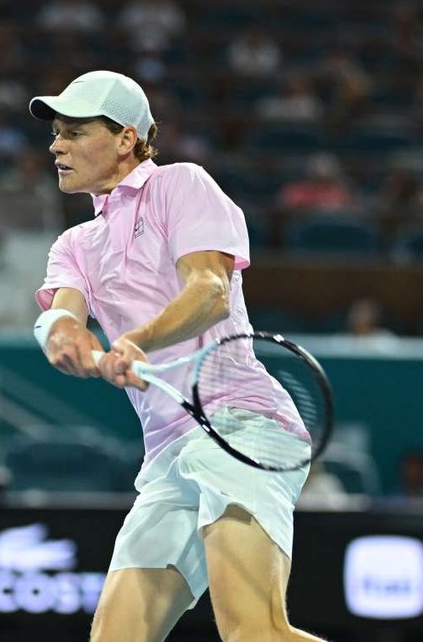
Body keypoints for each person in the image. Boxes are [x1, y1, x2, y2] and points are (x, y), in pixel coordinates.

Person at [29, 71, 323, 641]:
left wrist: (135, 342)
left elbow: (210, 293)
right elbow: (60, 319)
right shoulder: (75, 245)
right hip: (168, 454)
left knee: (254, 634)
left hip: (240, 426)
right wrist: (67, 340)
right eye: (56, 133)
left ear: (126, 138)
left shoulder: (180, 185)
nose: (56, 145)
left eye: (74, 131)